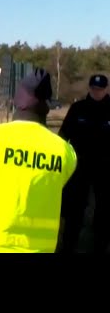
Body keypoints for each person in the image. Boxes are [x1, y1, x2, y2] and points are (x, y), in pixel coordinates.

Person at [0, 68, 77, 253]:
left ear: (18, 100)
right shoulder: (65, 151)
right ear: (46, 104)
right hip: (39, 248)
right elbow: (69, 205)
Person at [58, 74, 110, 253]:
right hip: (79, 168)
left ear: (106, 89)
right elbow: (63, 138)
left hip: (105, 169)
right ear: (89, 88)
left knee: (104, 210)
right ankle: (69, 245)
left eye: (100, 89)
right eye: (94, 89)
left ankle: (100, 246)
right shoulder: (77, 109)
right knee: (74, 210)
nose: (96, 92)